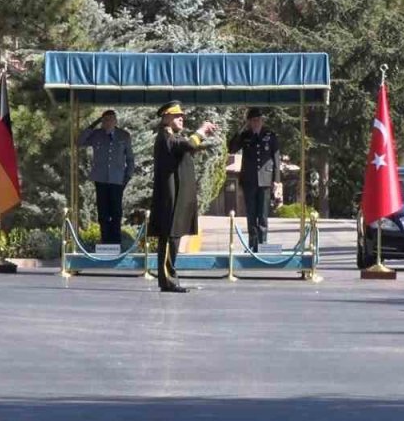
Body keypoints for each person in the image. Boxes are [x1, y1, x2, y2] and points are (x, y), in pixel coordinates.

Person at [150, 103, 218, 293]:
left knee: (174, 237)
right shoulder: (165, 136)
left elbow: (187, 148)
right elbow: (188, 145)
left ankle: (169, 280)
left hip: (177, 196)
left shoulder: (174, 136)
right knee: (169, 238)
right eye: (176, 115)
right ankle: (168, 280)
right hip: (169, 197)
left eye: (182, 115)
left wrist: (203, 139)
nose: (181, 118)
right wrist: (201, 131)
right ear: (166, 117)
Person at [78, 109, 134, 246]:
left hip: (117, 179)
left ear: (115, 121)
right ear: (102, 122)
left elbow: (130, 158)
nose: (108, 123)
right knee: (103, 212)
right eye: (105, 120)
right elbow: (79, 141)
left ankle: (115, 242)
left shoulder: (124, 136)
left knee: (116, 212)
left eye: (110, 120)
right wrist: (93, 125)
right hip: (101, 178)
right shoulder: (97, 134)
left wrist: (127, 176)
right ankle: (105, 241)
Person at [228, 108, 281, 252]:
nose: (256, 123)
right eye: (253, 121)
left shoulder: (270, 136)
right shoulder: (245, 136)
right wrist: (241, 129)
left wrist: (276, 180)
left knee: (262, 214)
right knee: (251, 214)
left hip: (265, 180)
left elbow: (276, 158)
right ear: (249, 122)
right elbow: (231, 148)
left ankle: (263, 244)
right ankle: (252, 245)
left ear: (262, 121)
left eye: (258, 120)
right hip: (249, 180)